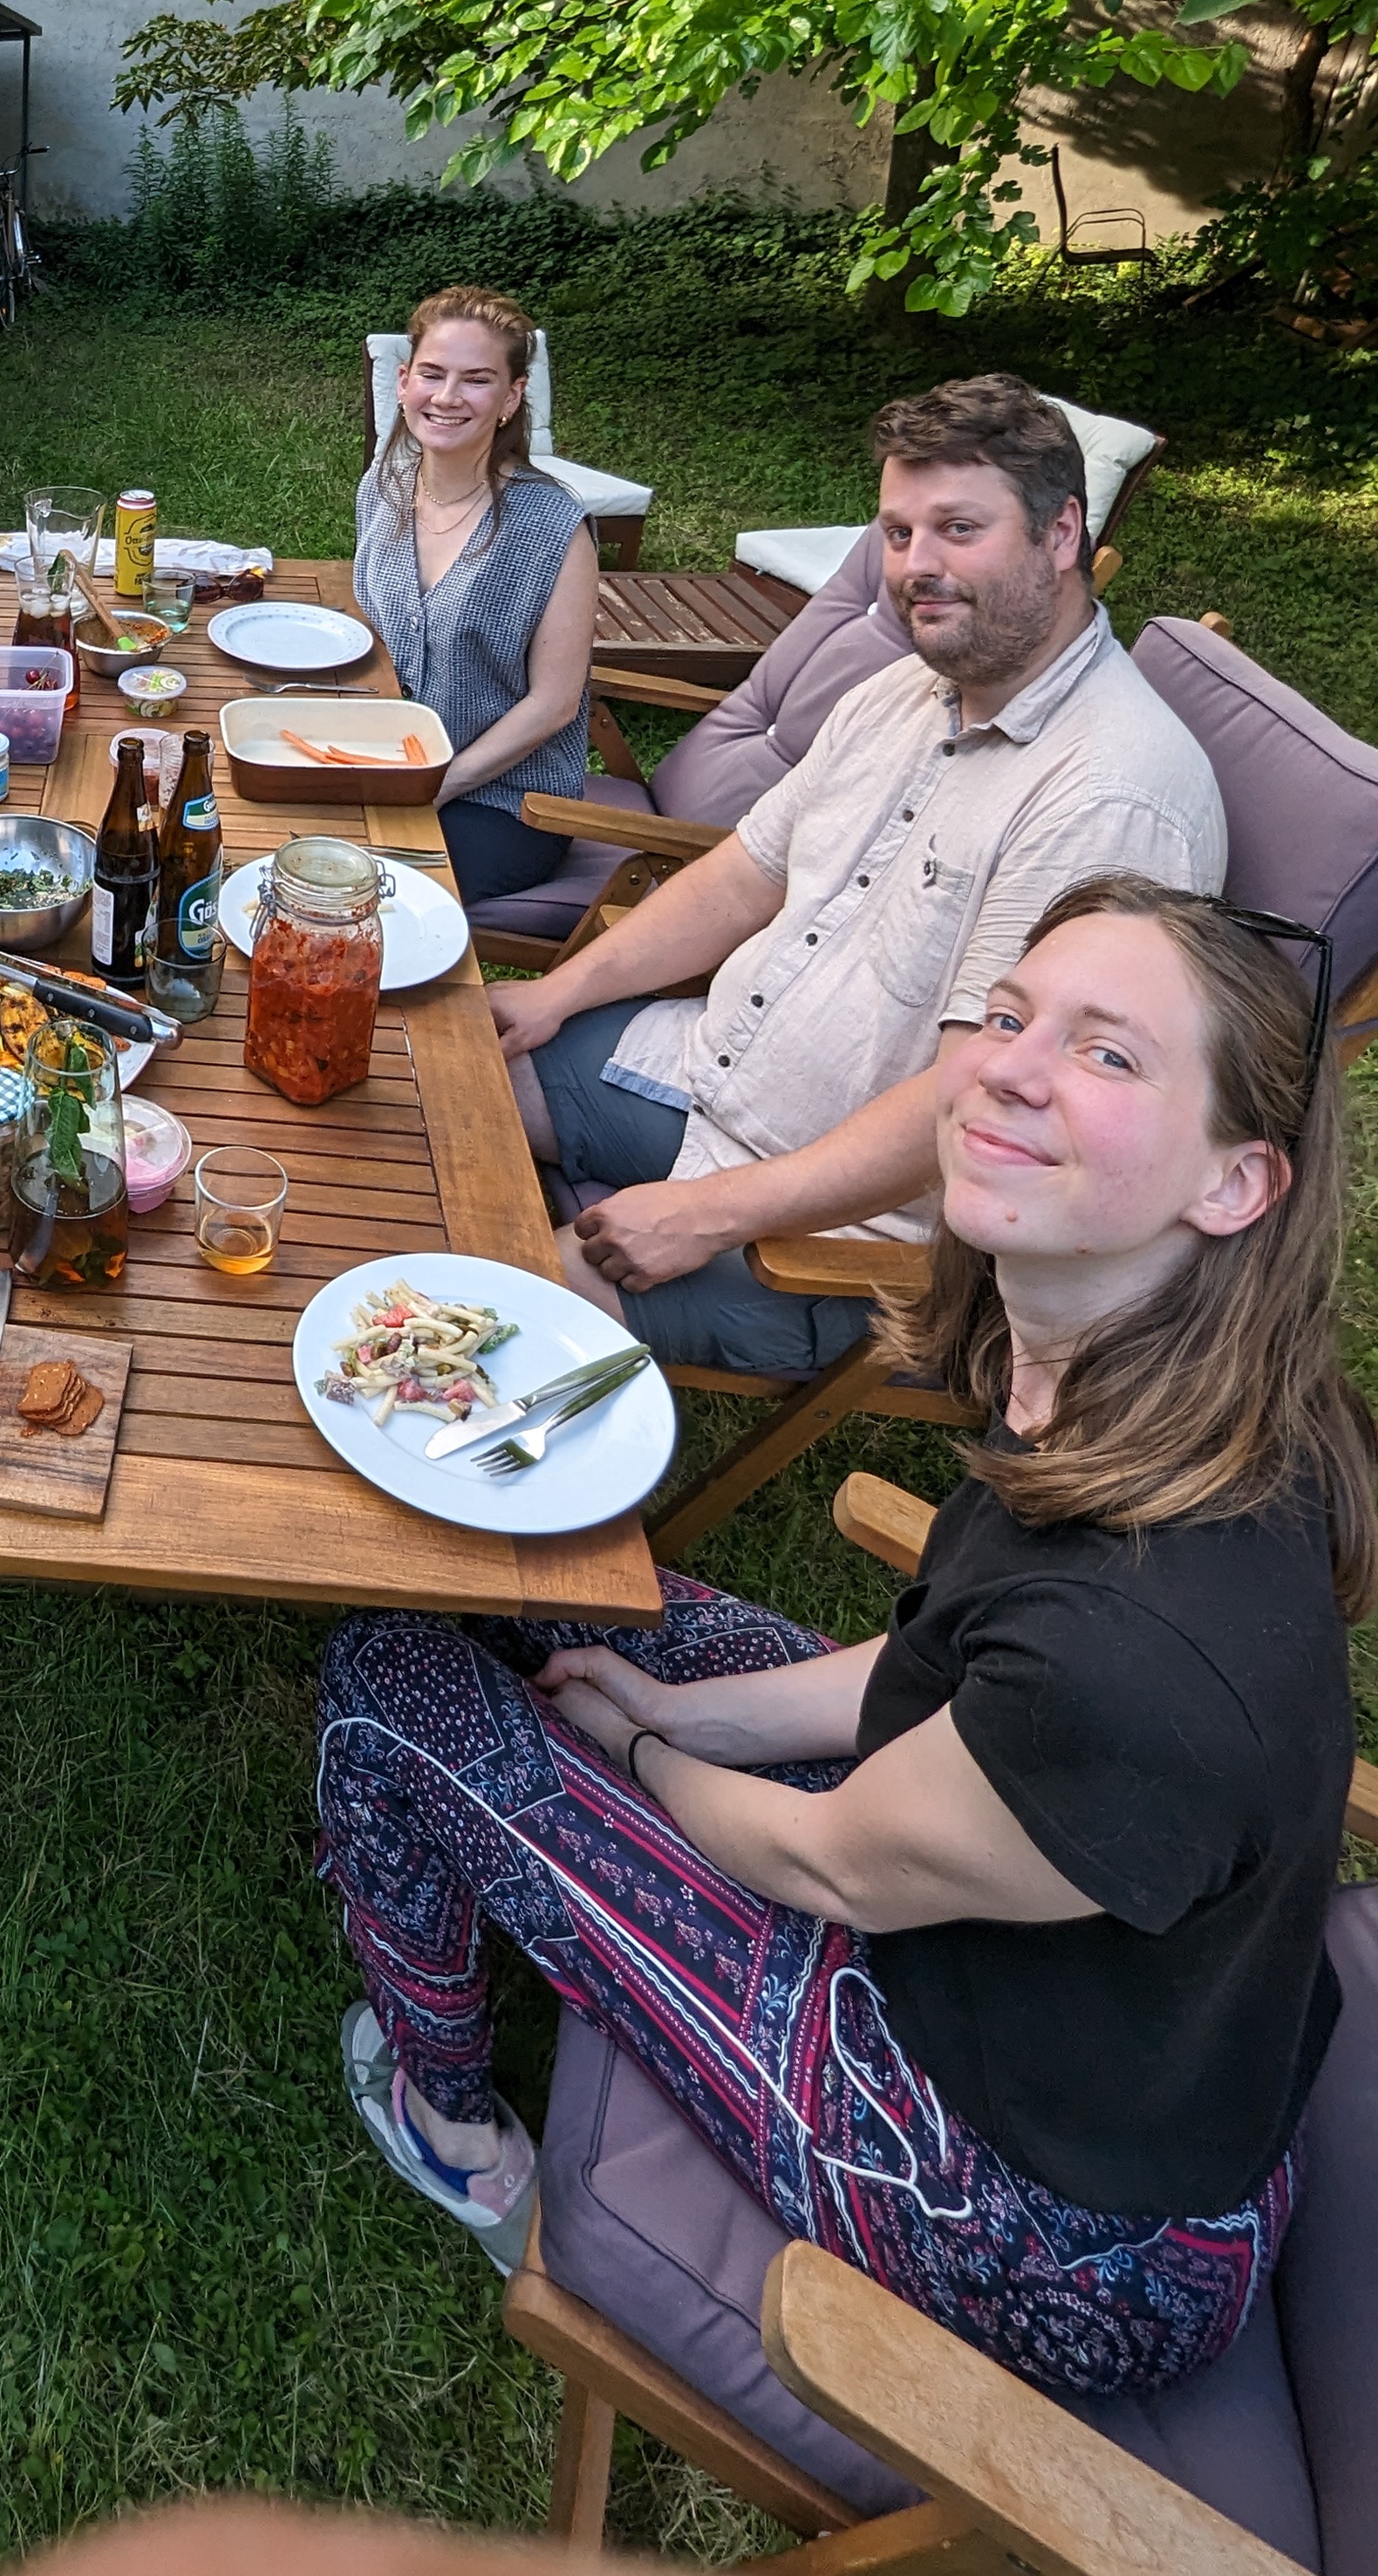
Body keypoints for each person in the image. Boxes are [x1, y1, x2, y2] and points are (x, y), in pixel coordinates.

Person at [320, 878, 1368, 2402]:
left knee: (387, 1679)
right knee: (524, 1567)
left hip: (1035, 2216)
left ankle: (451, 2124)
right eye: (1008, 1018)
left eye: (1110, 1056)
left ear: (1234, 1184)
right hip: (1061, 1984)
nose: (1004, 1065)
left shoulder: (1143, 1657)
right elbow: (939, 1681)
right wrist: (716, 1712)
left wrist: (637, 1736)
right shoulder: (1132, 1388)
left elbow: (823, 1861)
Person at [489, 373, 1225, 1375]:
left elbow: (990, 1100)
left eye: (959, 530)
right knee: (440, 1073)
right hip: (708, 1074)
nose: (917, 567)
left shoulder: (1105, 802)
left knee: (496, 1302)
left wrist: (704, 1213)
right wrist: (554, 996)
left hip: (860, 1234)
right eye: (898, 532)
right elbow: (746, 871)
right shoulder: (910, 689)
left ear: (1061, 536)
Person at [353, 288, 600, 908]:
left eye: (477, 380)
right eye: (432, 375)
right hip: (389, 763)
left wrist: (436, 784)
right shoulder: (382, 489)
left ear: (511, 397)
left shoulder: (553, 527)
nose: (446, 397)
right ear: (405, 383)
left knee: (354, 897)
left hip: (505, 802)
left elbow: (555, 704)